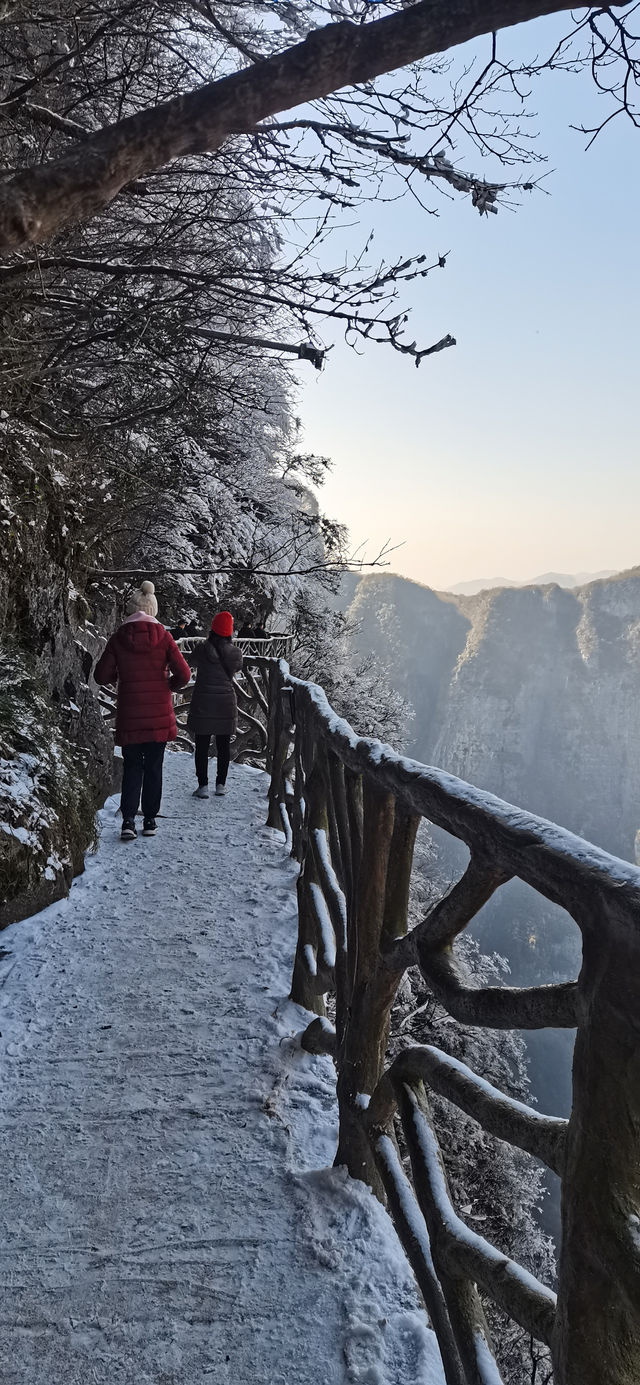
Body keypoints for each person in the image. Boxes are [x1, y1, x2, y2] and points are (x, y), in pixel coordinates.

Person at [95, 580, 191, 841]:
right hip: (159, 714)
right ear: (153, 610)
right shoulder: (165, 638)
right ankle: (149, 820)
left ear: (130, 609)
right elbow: (184, 674)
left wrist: (120, 676)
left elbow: (101, 675)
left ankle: (128, 821)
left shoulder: (118, 638)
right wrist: (167, 685)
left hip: (130, 713)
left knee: (133, 767)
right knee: (154, 768)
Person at [187, 610, 243, 798]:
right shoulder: (235, 653)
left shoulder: (202, 649)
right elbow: (239, 666)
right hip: (225, 702)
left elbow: (191, 661)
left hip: (204, 700)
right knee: (223, 745)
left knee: (201, 745)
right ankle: (221, 784)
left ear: (212, 629)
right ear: (229, 632)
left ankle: (202, 786)